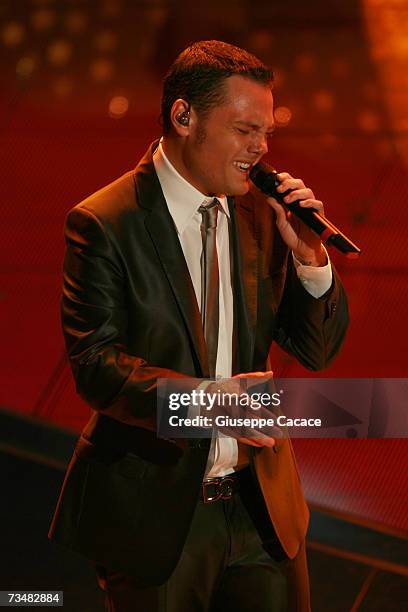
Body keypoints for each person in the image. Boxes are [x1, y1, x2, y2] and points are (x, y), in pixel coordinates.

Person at [49, 40, 349, 611]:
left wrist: (311, 257)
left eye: (266, 132)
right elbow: (97, 369)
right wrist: (211, 404)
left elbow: (317, 350)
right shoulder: (106, 222)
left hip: (262, 512)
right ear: (184, 116)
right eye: (243, 131)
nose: (260, 150)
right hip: (159, 520)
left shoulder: (264, 212)